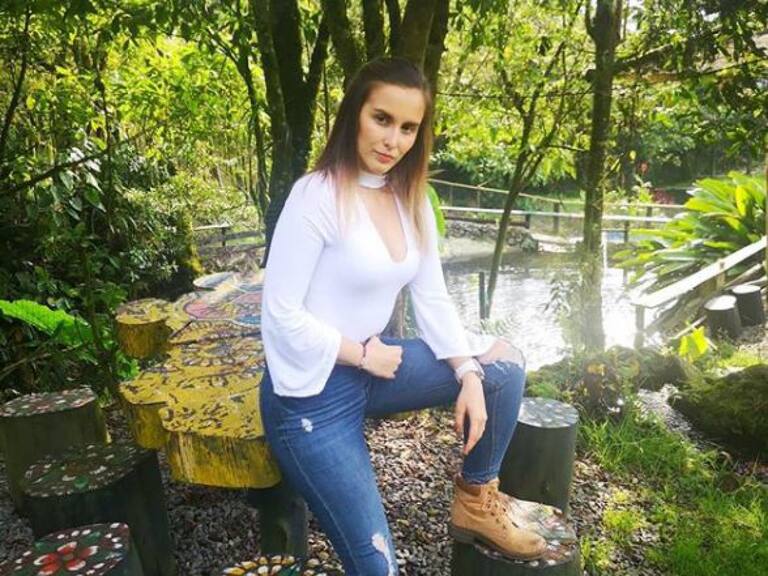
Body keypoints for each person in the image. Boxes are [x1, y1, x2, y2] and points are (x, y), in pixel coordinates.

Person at [259, 57, 546, 575]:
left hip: (375, 370)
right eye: (382, 119)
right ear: (354, 114)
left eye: (409, 127)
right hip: (309, 397)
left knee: (502, 367)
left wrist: (467, 372)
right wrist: (360, 355)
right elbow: (280, 316)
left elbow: (432, 297)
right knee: (378, 568)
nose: (393, 140)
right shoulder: (315, 195)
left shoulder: (410, 200)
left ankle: (476, 500)